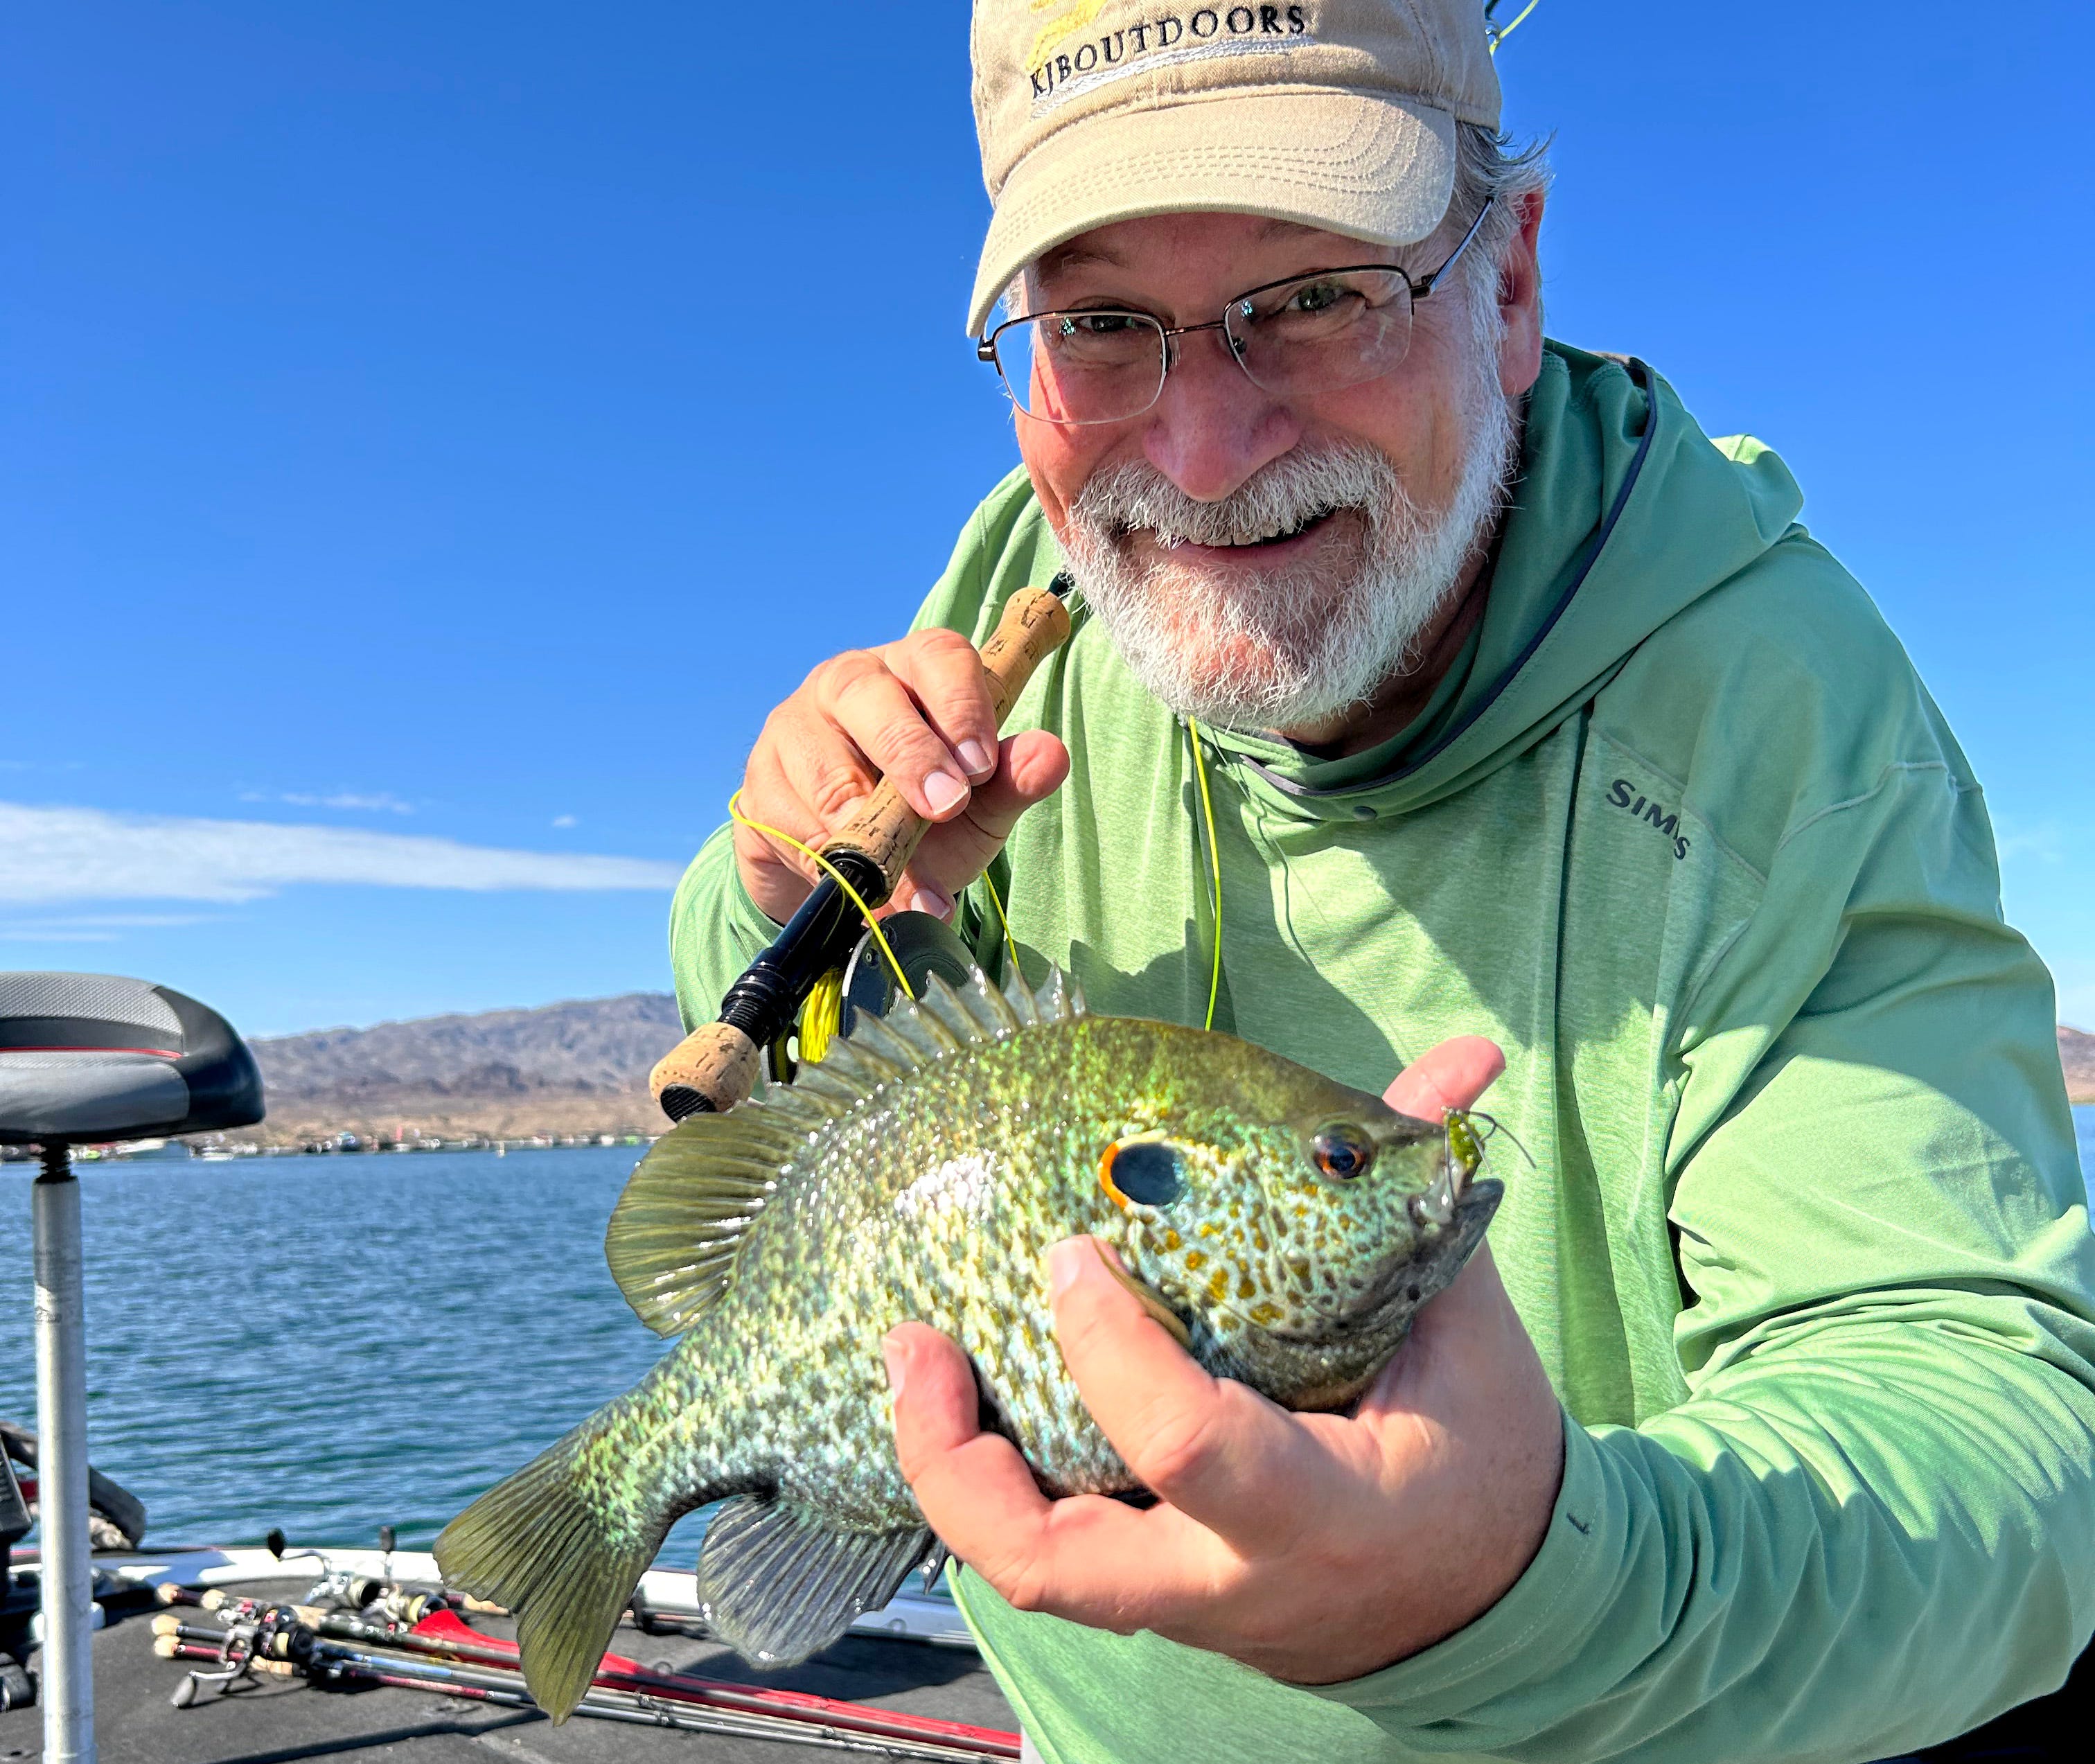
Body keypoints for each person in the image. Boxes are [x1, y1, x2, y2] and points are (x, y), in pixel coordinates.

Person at [669, 3, 2095, 1758]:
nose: (1197, 455)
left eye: (1316, 294)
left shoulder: (1779, 713)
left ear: (1505, 285)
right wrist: (771, 897)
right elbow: (798, 1120)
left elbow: (1996, 1451)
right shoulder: (1018, 587)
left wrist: (1523, 1587)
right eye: (1103, 322)